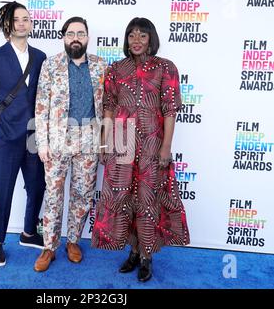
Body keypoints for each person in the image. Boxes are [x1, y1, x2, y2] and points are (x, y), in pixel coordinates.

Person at [91, 17, 190, 282]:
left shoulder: (165, 68)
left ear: (151, 39)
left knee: (147, 202)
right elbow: (108, 108)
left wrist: (166, 147)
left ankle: (147, 256)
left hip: (151, 146)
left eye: (142, 36)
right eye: (132, 35)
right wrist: (103, 142)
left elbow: (170, 110)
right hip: (121, 145)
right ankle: (133, 252)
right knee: (123, 201)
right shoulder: (115, 69)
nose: (136, 41)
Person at [0, 1, 46, 267]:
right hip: (5, 136)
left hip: (34, 137)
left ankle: (28, 232)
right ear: (8, 25)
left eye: (26, 18)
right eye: (17, 19)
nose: (23, 23)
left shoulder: (40, 57)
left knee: (38, 185)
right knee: (2, 190)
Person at [33, 16, 107, 272]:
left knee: (83, 195)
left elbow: (106, 106)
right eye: (71, 33)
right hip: (57, 141)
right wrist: (41, 142)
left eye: (81, 33)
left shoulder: (100, 66)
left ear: (87, 37)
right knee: (53, 195)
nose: (76, 38)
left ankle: (73, 241)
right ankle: (49, 247)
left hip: (88, 139)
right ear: (64, 37)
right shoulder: (50, 65)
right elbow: (41, 106)